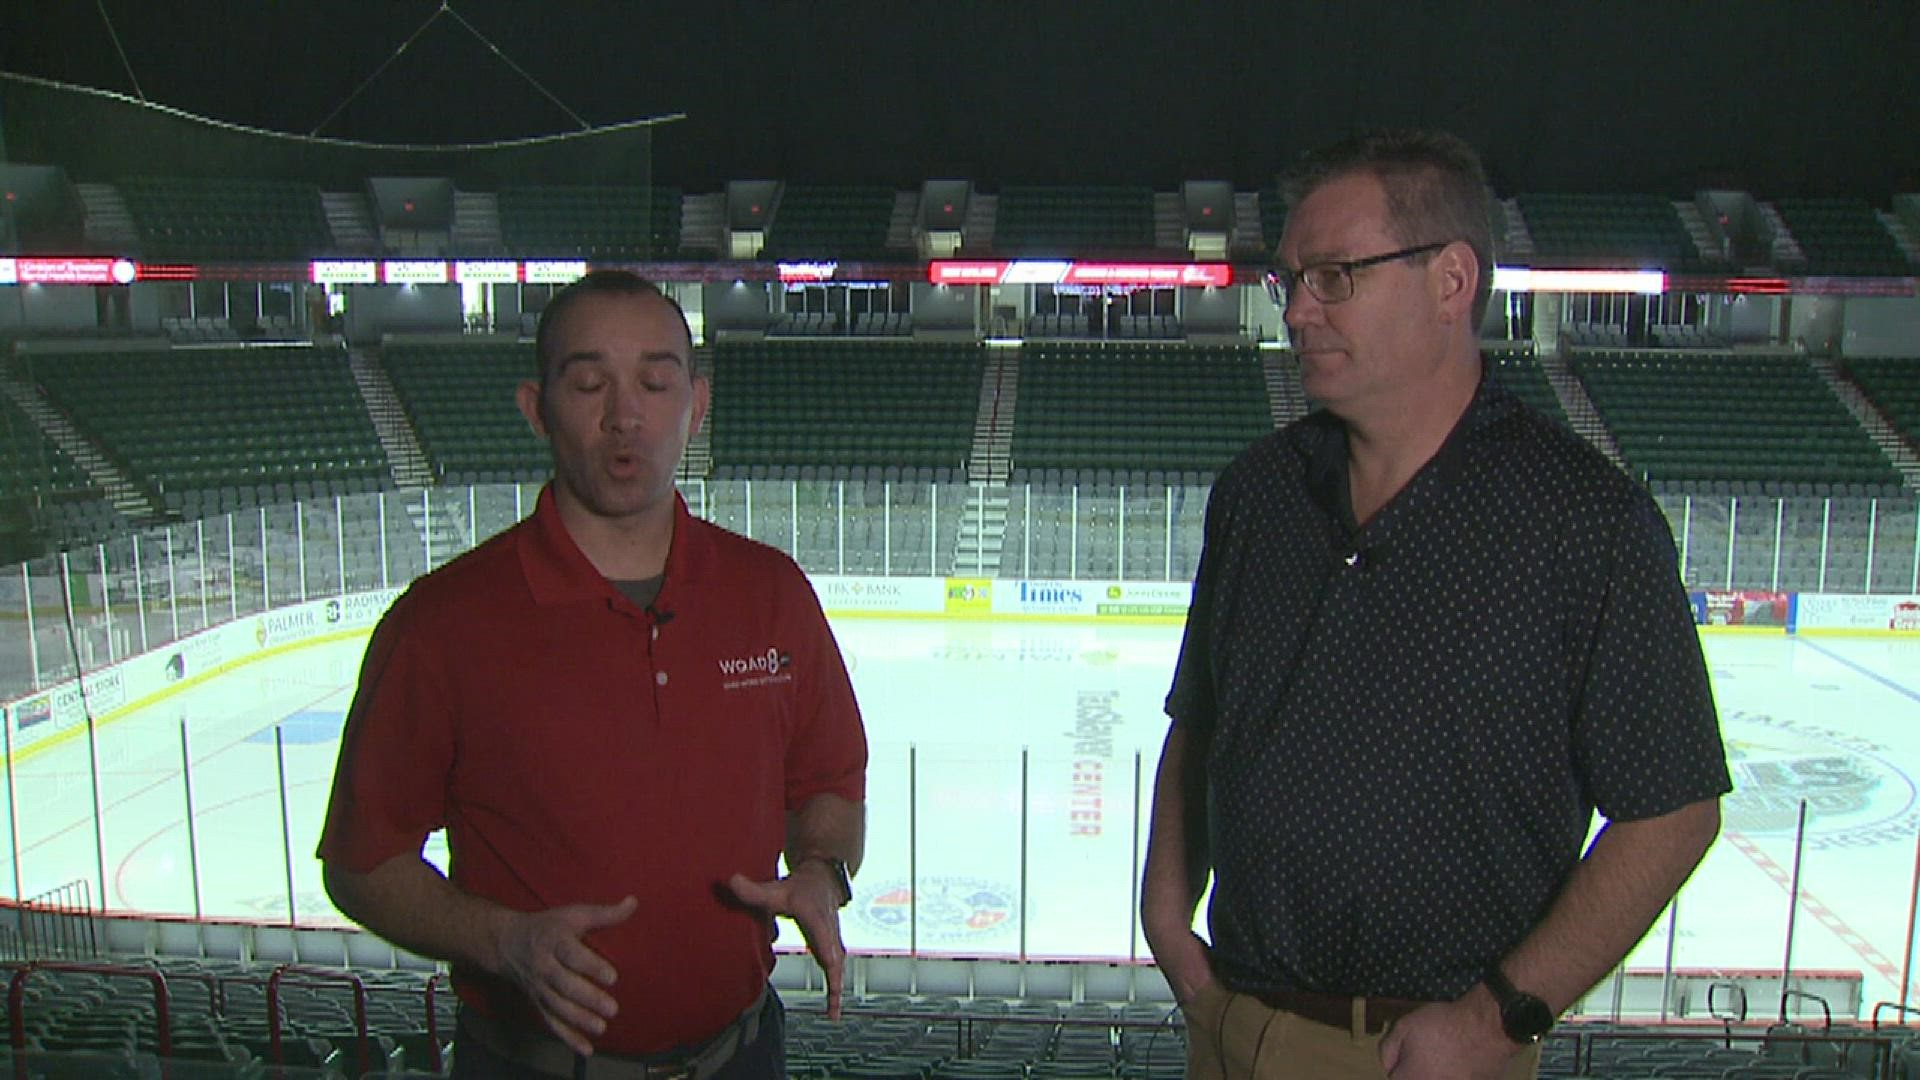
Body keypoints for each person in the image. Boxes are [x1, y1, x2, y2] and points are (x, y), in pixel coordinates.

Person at [1140, 130, 1730, 1080]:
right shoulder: (1256, 496)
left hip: (1441, 1054)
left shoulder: (1585, 522)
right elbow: (1200, 719)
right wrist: (1169, 925)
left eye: (1334, 277)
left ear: (1451, 281)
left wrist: (1497, 1020)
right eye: (1287, 280)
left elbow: (1674, 808)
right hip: (1235, 1028)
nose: (1296, 311)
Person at [318, 270, 868, 1079]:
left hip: (743, 1055)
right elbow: (362, 863)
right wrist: (503, 941)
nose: (626, 416)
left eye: (655, 381)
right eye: (588, 383)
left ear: (697, 404)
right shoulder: (444, 624)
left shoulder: (772, 593)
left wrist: (821, 871)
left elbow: (829, 784)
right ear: (536, 408)